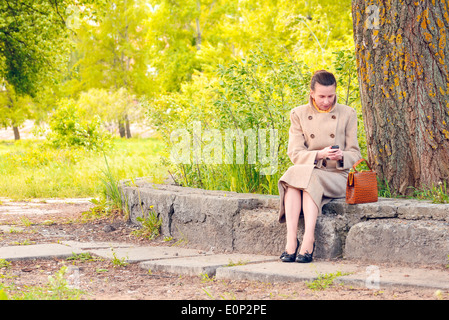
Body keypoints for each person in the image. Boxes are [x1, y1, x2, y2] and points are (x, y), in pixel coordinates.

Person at [277, 70, 362, 263]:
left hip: (337, 175)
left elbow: (355, 154)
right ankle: (291, 241)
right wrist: (319, 154)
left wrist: (341, 156)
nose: (326, 101)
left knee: (301, 179)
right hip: (309, 170)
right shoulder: (298, 114)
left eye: (330, 96)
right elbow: (295, 153)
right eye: (322, 96)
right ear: (312, 93)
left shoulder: (347, 113)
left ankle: (308, 239)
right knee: (297, 178)